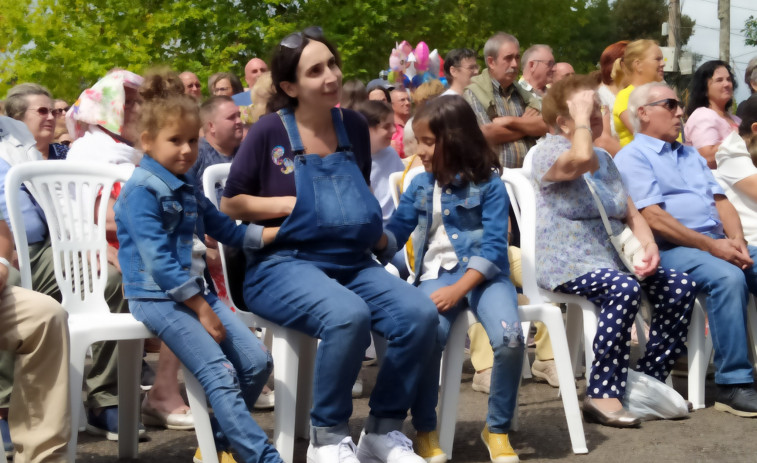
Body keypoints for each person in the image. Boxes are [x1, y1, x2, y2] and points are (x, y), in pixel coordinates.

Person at [221, 26, 438, 463]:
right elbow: (229, 202)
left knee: (419, 313)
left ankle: (382, 431)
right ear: (289, 86)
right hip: (281, 266)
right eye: (315, 70)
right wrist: (286, 202)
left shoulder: (354, 125)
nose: (330, 76)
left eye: (332, 64)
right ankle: (327, 438)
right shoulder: (268, 131)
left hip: (352, 263)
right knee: (347, 315)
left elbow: (351, 193)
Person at [113, 69, 281, 463]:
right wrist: (202, 308)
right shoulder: (141, 191)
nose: (187, 150)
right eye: (175, 141)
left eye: (192, 140)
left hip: (194, 293)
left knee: (257, 362)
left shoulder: (185, 186)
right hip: (157, 297)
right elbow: (159, 262)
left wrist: (276, 234)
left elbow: (228, 230)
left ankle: (217, 446)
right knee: (219, 373)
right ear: (148, 141)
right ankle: (262, 456)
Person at [531, 75, 695, 427]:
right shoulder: (547, 150)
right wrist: (579, 120)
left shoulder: (606, 158)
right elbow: (580, 158)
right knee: (624, 289)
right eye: (589, 110)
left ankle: (646, 381)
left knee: (679, 286)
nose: (597, 115)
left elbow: (631, 212)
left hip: (613, 261)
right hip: (567, 262)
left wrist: (649, 246)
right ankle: (602, 394)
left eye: (597, 109)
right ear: (564, 121)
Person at [378, 94, 523, 462]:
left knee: (509, 339)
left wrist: (459, 289)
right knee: (429, 334)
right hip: (434, 276)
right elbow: (395, 232)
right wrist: (370, 237)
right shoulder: (420, 185)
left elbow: (493, 247)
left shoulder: (489, 185)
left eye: (428, 142)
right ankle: (425, 430)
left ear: (454, 140)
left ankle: (497, 428)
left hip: (483, 278)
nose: (420, 150)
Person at [615, 81, 757, 418]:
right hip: (668, 249)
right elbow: (654, 218)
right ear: (643, 113)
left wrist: (735, 238)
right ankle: (733, 384)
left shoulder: (689, 154)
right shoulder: (633, 156)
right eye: (671, 105)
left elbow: (720, 200)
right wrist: (713, 246)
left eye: (680, 105)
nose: (681, 112)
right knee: (726, 278)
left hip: (715, 242)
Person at [67, 69, 194, 433]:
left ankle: (166, 390)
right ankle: (108, 398)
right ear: (108, 108)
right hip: (91, 252)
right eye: (131, 102)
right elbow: (92, 217)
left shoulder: (134, 154)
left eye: (141, 100)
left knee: (189, 269)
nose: (140, 108)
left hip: (134, 246)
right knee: (131, 278)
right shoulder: (87, 152)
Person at [464, 32, 547, 169]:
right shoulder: (474, 93)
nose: (515, 64)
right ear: (491, 62)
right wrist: (528, 128)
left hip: (528, 178)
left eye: (517, 57)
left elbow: (545, 125)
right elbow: (487, 134)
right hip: (494, 179)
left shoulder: (524, 94)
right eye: (508, 58)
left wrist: (511, 121)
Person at [684, 60, 740, 168]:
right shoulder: (703, 116)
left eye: (729, 79)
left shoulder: (736, 119)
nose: (727, 84)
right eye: (719, 80)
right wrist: (741, 142)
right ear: (704, 89)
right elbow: (707, 158)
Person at [612, 40, 665, 147]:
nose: (663, 64)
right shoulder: (626, 97)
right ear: (638, 65)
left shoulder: (659, 93)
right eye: (657, 59)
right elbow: (647, 136)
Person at [187, 96, 244, 190]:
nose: (239, 121)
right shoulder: (194, 154)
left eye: (239, 115)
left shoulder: (249, 151)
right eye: (231, 117)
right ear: (211, 126)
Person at [4, 84, 68, 160]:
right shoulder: (5, 158)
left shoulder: (68, 156)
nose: (51, 117)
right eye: (42, 111)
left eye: (53, 112)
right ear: (17, 117)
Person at [390, 87, 412, 158]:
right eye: (402, 100)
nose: (407, 103)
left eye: (408, 99)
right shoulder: (389, 129)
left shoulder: (415, 123)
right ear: (392, 105)